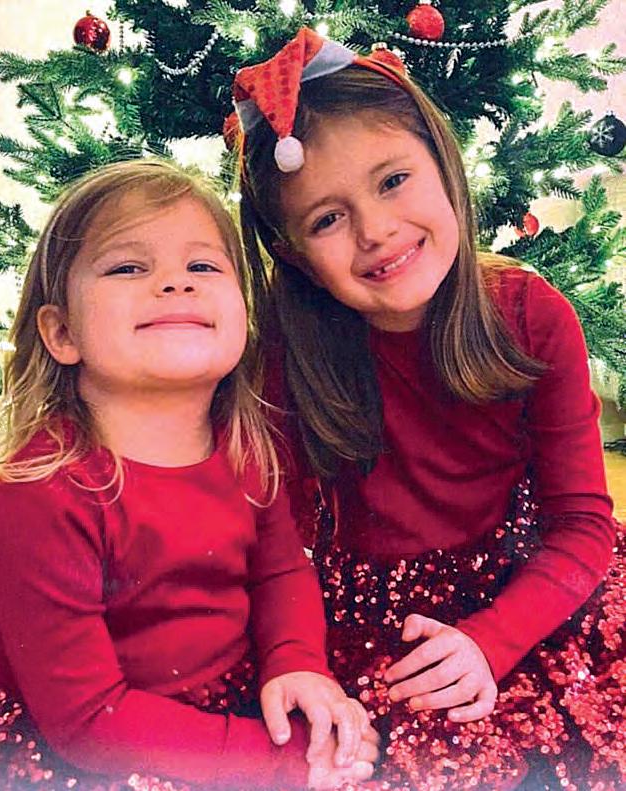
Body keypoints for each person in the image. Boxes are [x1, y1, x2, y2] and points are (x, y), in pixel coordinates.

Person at [229, 28, 624, 790]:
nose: (375, 231)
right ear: (294, 255)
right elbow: (276, 541)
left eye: (392, 179)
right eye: (326, 219)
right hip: (365, 616)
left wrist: (491, 639)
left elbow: (581, 523)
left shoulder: (531, 315)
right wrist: (297, 657)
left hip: (522, 588)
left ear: (443, 163)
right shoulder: (287, 351)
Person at [0, 158, 380, 791]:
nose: (175, 284)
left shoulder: (246, 447)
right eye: (128, 268)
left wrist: (297, 665)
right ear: (61, 332)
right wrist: (277, 763)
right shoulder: (45, 491)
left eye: (202, 266)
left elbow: (280, 572)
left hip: (230, 705)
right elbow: (87, 720)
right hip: (93, 748)